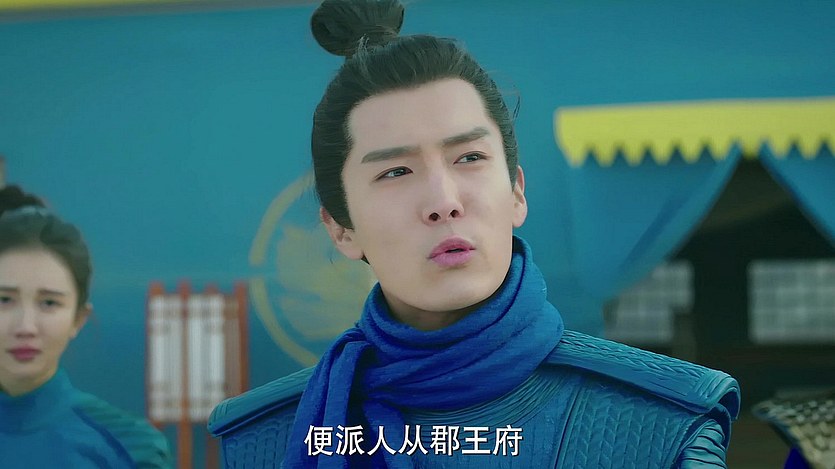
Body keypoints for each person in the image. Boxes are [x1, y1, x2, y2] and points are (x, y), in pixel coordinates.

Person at [208, 1, 740, 467]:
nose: (444, 201)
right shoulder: (269, 439)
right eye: (395, 171)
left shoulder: (660, 427)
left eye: (469, 158)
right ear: (342, 229)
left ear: (516, 192)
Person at [0, 185, 172, 468]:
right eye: (5, 300)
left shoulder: (131, 445)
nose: (26, 326)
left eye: (49, 303)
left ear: (78, 318)